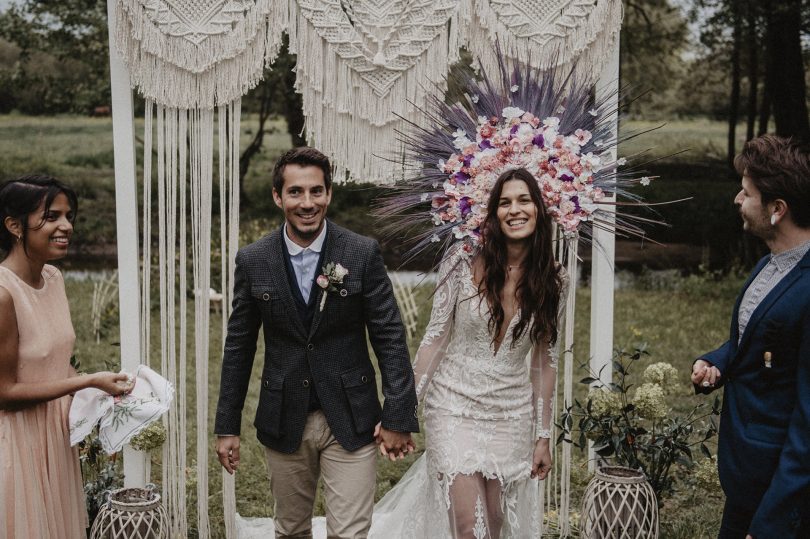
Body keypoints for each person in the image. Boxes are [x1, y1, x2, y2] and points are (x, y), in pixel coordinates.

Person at [214, 147, 419, 538]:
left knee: (350, 533)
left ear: (329, 194)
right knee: (290, 530)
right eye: (295, 192)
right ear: (278, 196)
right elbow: (239, 346)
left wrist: (398, 415)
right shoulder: (253, 260)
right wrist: (227, 425)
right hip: (283, 416)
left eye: (316, 191)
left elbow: (389, 335)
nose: (307, 203)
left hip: (353, 416)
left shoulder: (360, 253)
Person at [372, 168, 564, 538]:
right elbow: (435, 340)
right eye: (504, 202)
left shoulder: (555, 280)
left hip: (511, 412)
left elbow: (544, 362)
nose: (515, 209)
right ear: (493, 215)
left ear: (539, 209)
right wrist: (401, 407)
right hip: (454, 404)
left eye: (524, 200)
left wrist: (542, 436)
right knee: (468, 526)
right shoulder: (461, 262)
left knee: (494, 525)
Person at [0, 175, 133, 538]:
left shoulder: (54, 279)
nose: (66, 226)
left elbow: (54, 365)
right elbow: (4, 394)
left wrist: (99, 401)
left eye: (68, 215)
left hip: (55, 436)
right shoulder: (3, 294)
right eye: (52, 217)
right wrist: (87, 381)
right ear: (14, 226)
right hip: (17, 441)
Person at [691, 135, 810, 539]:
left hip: (782, 502)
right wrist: (718, 361)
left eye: (746, 193)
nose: (737, 200)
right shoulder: (768, 264)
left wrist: (773, 523)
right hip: (746, 482)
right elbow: (754, 341)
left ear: (778, 210)